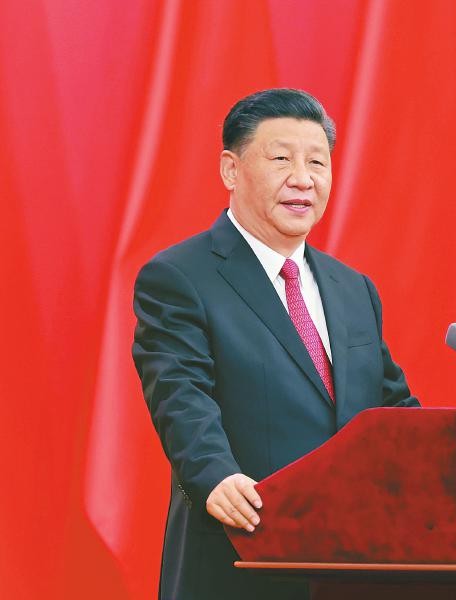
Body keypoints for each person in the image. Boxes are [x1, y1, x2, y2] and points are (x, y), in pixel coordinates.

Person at [132, 88, 419, 600]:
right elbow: (180, 392)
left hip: (355, 565)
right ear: (231, 170)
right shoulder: (180, 277)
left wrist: (448, 468)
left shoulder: (353, 288)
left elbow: (392, 407)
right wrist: (215, 475)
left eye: (317, 162)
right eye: (282, 159)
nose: (303, 179)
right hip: (242, 552)